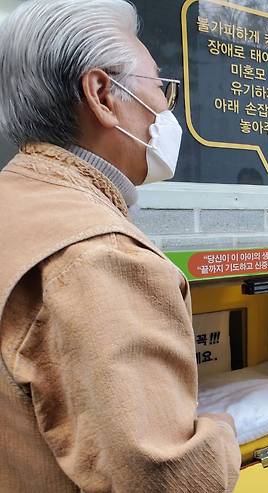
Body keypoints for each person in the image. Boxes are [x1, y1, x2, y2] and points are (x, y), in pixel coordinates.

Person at [0, 1, 240, 491]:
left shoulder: (16, 200)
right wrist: (226, 431)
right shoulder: (100, 256)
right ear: (103, 95)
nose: (167, 110)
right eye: (161, 89)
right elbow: (166, 479)